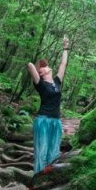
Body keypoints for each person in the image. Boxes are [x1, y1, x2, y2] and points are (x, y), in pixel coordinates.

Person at [27, 36, 68, 173]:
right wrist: (38, 67)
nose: (42, 69)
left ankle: (47, 179)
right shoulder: (41, 85)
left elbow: (63, 65)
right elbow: (30, 66)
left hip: (56, 121)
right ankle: (37, 179)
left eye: (44, 68)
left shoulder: (56, 82)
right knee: (42, 152)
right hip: (43, 120)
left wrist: (65, 47)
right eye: (40, 70)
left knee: (54, 153)